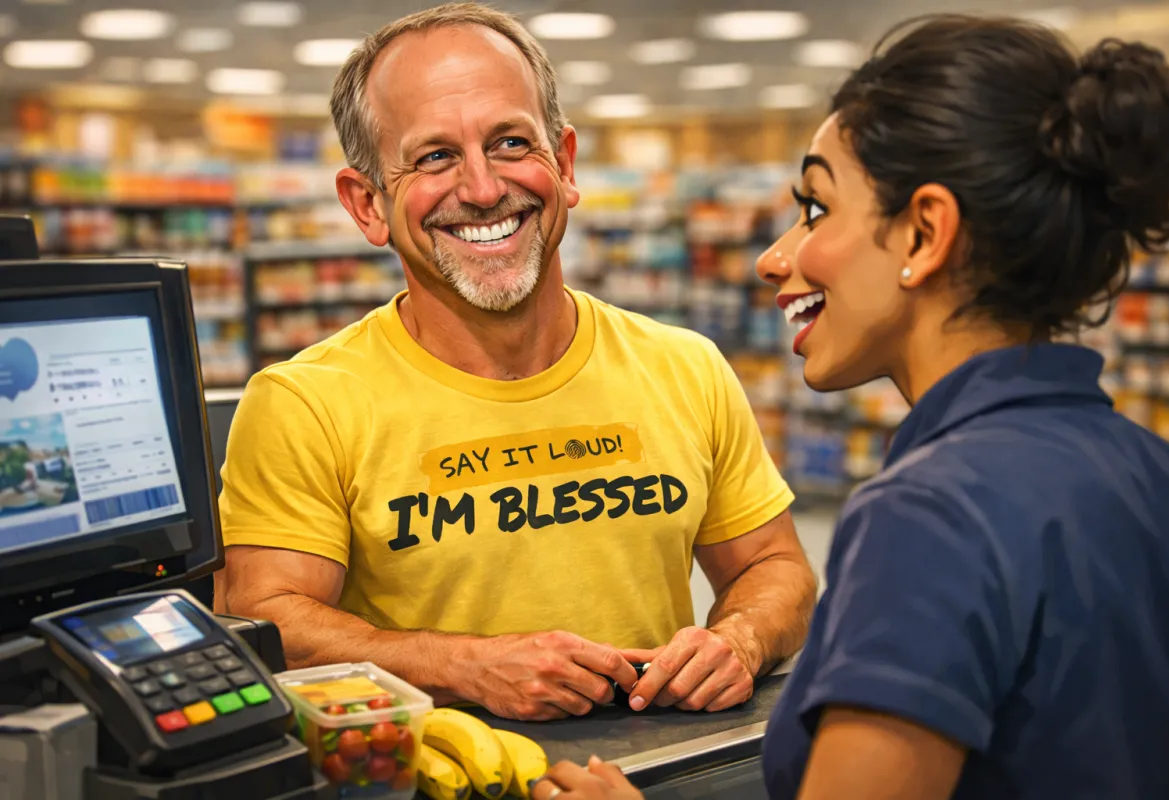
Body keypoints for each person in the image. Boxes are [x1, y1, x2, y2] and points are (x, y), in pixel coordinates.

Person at [531, 13, 1169, 800]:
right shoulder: (1153, 470)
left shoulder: (931, 514)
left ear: (924, 233)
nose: (776, 256)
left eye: (816, 207)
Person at [212, 2, 817, 723]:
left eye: (509, 143)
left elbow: (775, 568)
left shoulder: (684, 366)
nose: (484, 188)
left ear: (562, 165)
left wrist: (739, 639)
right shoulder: (306, 403)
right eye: (435, 156)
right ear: (367, 204)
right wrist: (463, 667)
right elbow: (263, 620)